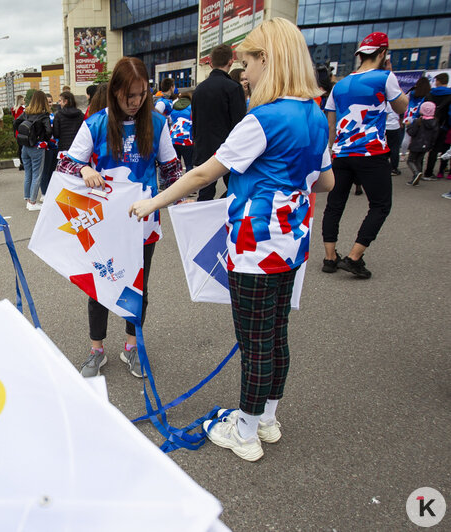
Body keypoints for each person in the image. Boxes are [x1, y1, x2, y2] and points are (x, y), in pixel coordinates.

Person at [129, 18, 334, 462]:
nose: (246, 73)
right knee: (276, 335)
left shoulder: (264, 118)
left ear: (269, 60)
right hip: (292, 243)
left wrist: (152, 204)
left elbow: (205, 172)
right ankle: (267, 419)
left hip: (254, 245)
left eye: (250, 62)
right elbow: (326, 182)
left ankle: (244, 430)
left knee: (254, 341)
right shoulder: (315, 114)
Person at [58, 56, 182, 379]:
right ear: (115, 91)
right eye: (130, 95)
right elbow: (65, 164)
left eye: (142, 95)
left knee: (137, 287)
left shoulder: (156, 123)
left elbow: (171, 170)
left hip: (144, 224)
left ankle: (131, 345)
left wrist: (181, 194)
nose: (135, 102)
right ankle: (96, 349)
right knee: (99, 285)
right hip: (103, 224)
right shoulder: (96, 123)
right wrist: (84, 168)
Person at [321, 32, 408, 279]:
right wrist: (391, 74)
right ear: (382, 53)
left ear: (360, 54)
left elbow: (331, 123)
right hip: (371, 152)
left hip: (341, 152)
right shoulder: (384, 77)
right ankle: (354, 256)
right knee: (380, 205)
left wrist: (331, 150)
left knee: (334, 205)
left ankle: (329, 257)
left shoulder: (340, 85)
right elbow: (401, 107)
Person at [191, 43, 247, 201]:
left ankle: (203, 222)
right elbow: (239, 124)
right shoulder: (233, 88)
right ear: (231, 61)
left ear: (210, 62)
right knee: (235, 189)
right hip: (228, 148)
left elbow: (195, 120)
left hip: (204, 147)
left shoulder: (199, 89)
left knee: (205, 192)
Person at [14, 90, 51, 211]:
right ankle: (33, 202)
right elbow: (49, 131)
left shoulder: (26, 112)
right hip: (37, 147)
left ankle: (27, 198)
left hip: (25, 146)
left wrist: (23, 134)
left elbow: (16, 123)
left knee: (28, 173)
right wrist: (42, 137)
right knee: (37, 174)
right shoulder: (43, 115)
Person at [423, 73, 451, 180]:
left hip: (428, 125)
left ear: (438, 81)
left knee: (424, 147)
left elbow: (423, 108)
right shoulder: (449, 95)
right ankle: (439, 171)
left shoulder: (430, 94)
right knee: (441, 149)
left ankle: (423, 171)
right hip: (443, 126)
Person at [406, 102, 439, 186]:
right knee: (418, 160)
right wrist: (431, 145)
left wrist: (408, 126)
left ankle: (416, 173)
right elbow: (435, 136)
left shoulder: (419, 121)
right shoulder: (435, 122)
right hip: (426, 145)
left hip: (416, 144)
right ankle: (416, 177)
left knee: (410, 160)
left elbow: (412, 132)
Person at [169, 91, 194, 171]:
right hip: (187, 139)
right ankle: (189, 183)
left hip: (173, 138)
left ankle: (177, 182)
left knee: (176, 165)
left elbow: (169, 121)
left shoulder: (173, 107)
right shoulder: (191, 107)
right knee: (189, 164)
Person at [12, 95, 25, 170]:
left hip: (17, 131)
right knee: (23, 148)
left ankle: (21, 162)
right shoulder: (21, 110)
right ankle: (23, 163)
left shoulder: (14, 110)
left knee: (20, 148)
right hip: (22, 130)